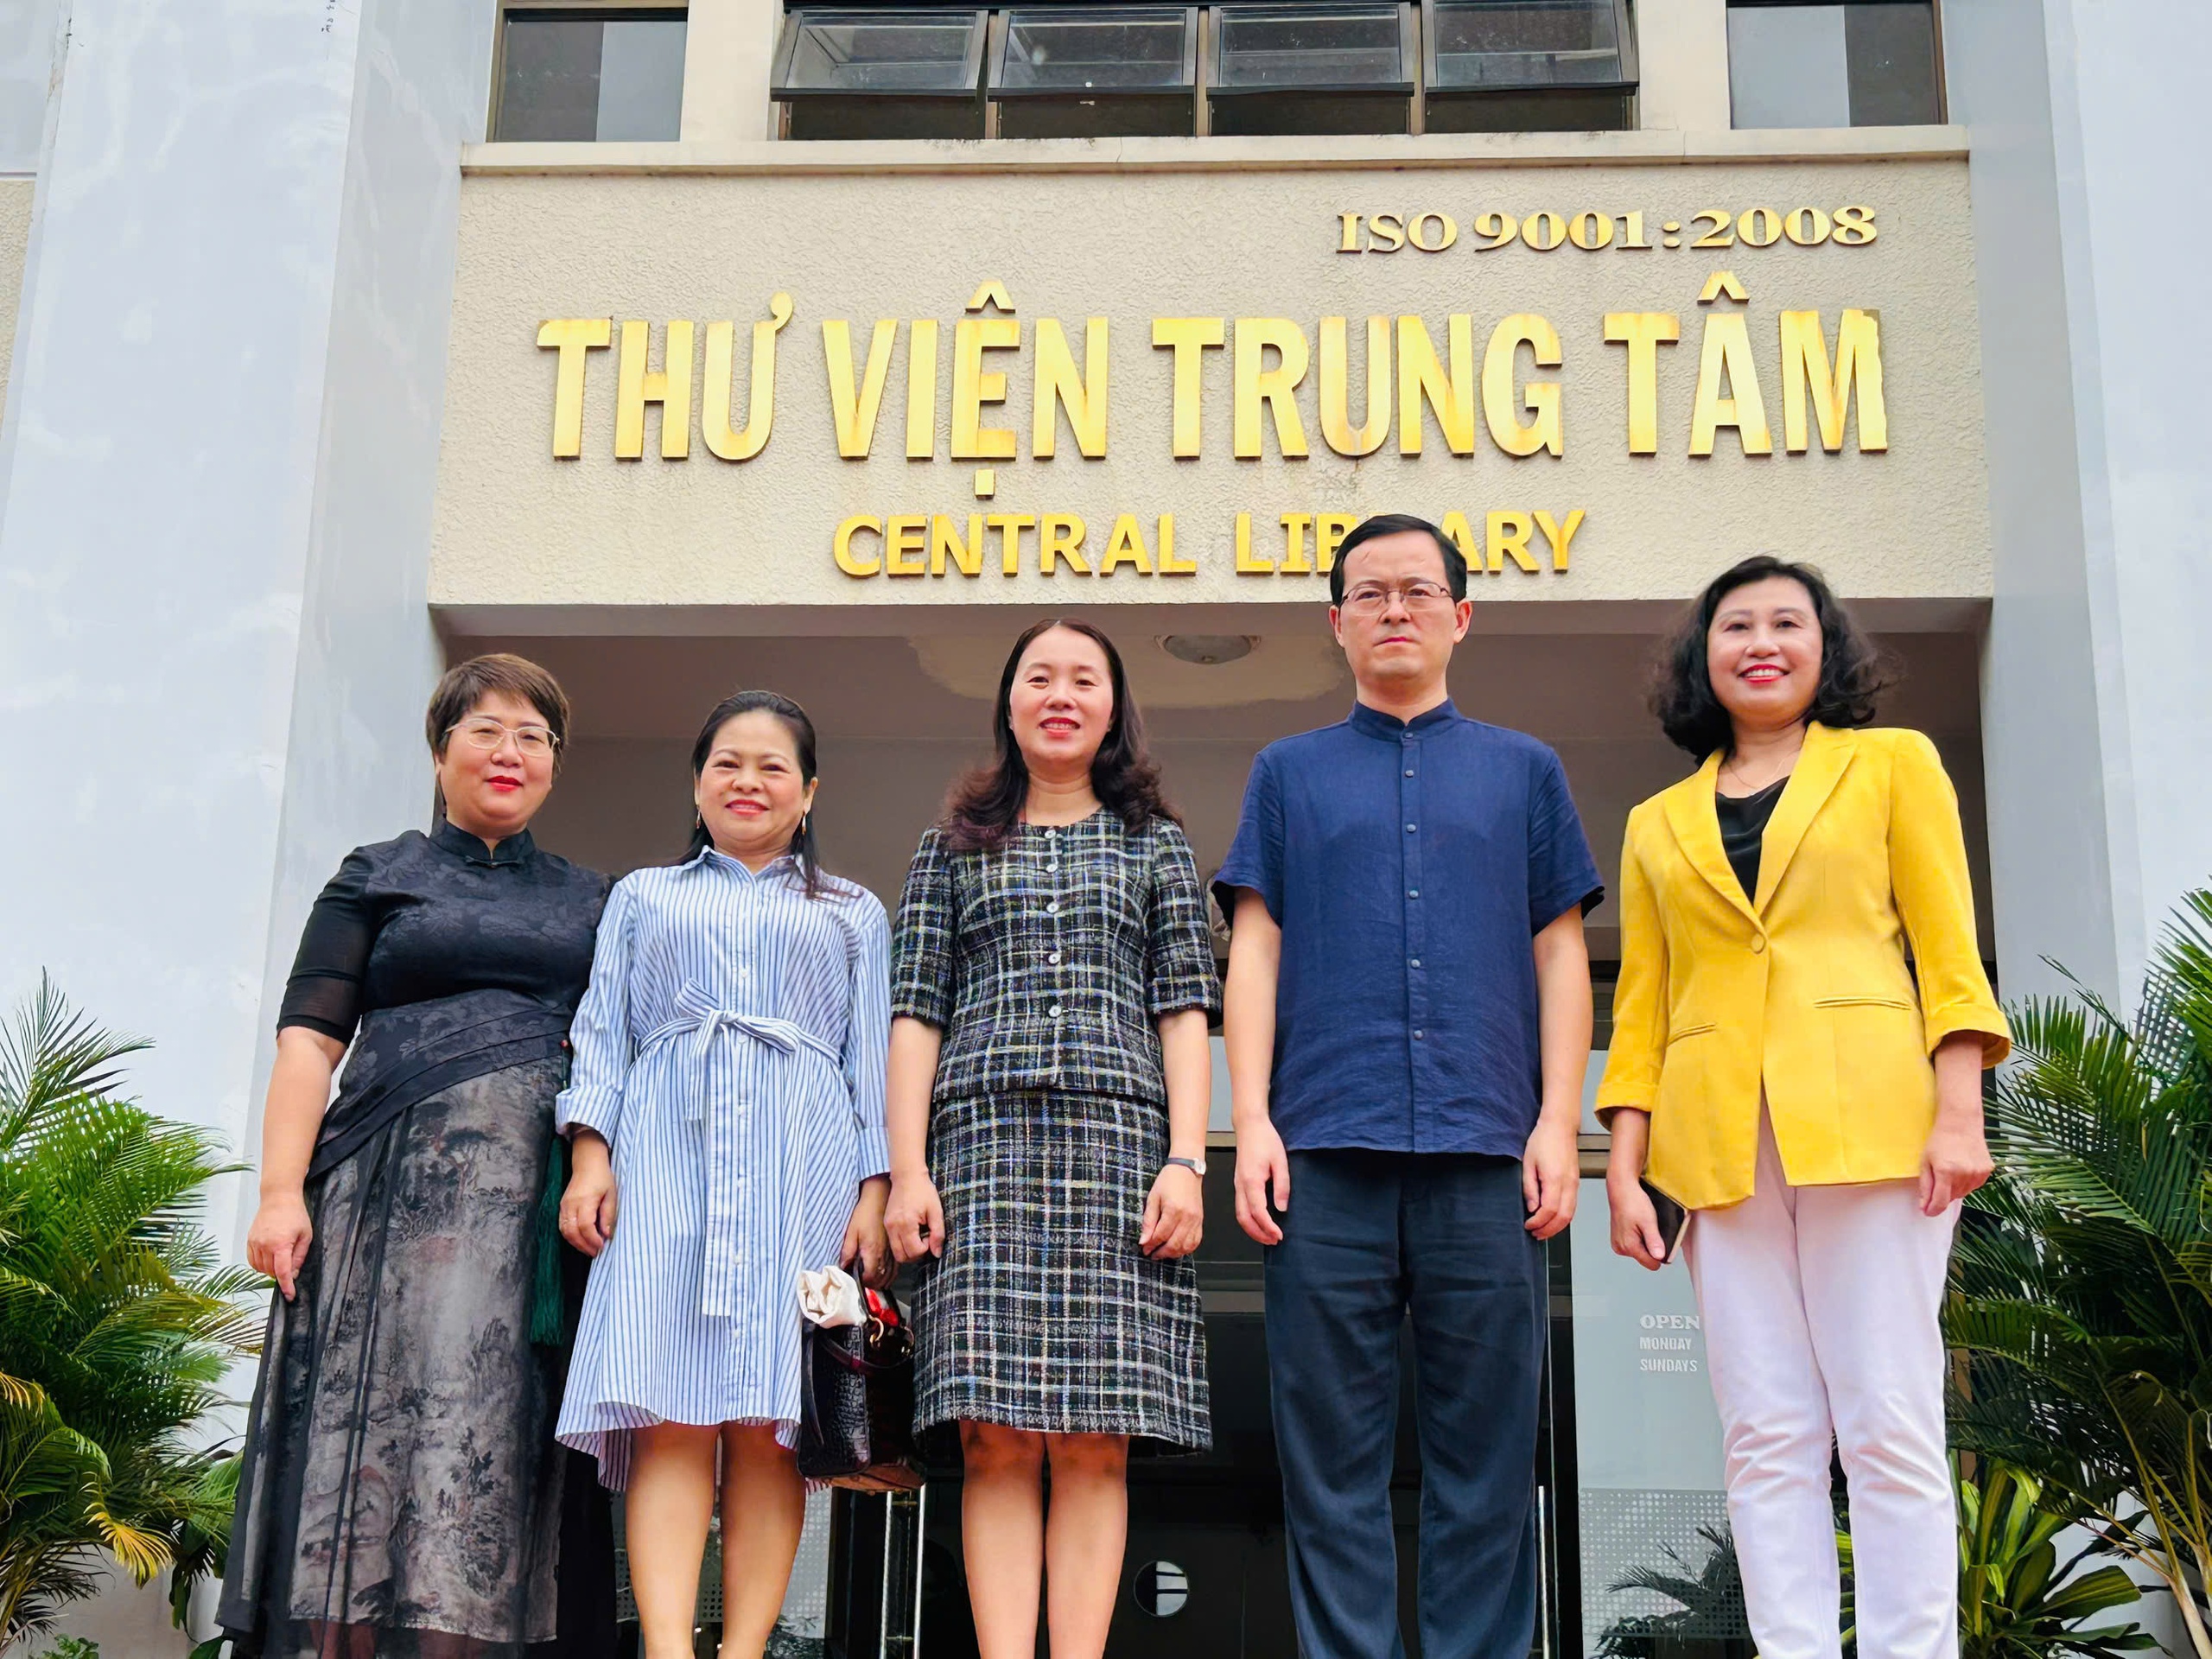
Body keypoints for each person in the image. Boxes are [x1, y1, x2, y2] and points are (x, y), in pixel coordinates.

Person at [1600, 556, 2010, 1659]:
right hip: (1717, 1142)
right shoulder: (1657, 822)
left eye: (1788, 622)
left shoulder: (1890, 765)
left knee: (1886, 1417)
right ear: (1704, 658)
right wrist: (1625, 1166)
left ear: (1826, 649)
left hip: (1874, 1124)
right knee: (1765, 1431)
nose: (1761, 642)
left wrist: (1958, 1107)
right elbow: (1643, 1002)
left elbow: (1946, 946)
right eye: (1736, 626)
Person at [1215, 513, 1602, 1659]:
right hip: (1324, 1154)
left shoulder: (1526, 771)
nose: (1394, 610)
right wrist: (1255, 1121)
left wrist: (1554, 1120)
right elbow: (1256, 949)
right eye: (1370, 594)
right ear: (1336, 624)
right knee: (1329, 1464)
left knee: (1486, 1463)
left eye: (1417, 592)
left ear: (1460, 617)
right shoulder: (1285, 773)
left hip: (1489, 1157)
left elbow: (1560, 956)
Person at [220, 652, 616, 1658]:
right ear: (441, 751)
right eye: (485, 729)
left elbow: (617, 1054)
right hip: (374, 1204)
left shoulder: (594, 899)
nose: (509, 752)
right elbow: (310, 1040)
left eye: (533, 736)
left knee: (490, 1438)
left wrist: (593, 1163)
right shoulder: (375, 874)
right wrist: (277, 1191)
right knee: (366, 1446)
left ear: (556, 765)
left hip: (523, 1221)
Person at [884, 620, 1217, 1659]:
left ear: (1114, 707)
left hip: (1120, 1148)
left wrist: (1187, 1159)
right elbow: (914, 1010)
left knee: (1094, 1442)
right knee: (989, 1437)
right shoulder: (949, 845)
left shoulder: (1155, 843)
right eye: (1041, 677)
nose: (1061, 694)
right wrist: (907, 1171)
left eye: (1085, 679)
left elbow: (1184, 1007)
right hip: (976, 1149)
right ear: (1010, 701)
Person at [552, 690, 892, 1659]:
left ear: (809, 789)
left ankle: (741, 1650)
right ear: (697, 782)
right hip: (665, 1159)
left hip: (804, 1165)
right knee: (669, 1412)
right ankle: (665, 1647)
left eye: (773, 766)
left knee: (770, 1422)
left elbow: (871, 1057)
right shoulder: (643, 896)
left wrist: (872, 1193)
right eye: (727, 764)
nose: (748, 782)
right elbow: (603, 1033)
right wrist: (590, 1155)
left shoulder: (853, 911)